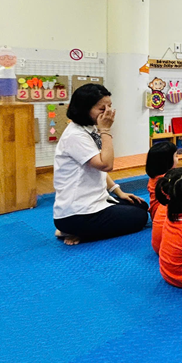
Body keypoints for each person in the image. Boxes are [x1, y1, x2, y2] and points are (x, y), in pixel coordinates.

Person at [53, 84, 148, 245]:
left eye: (110, 106)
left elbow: (99, 169)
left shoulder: (89, 129)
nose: (108, 112)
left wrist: (119, 192)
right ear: (84, 109)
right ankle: (76, 231)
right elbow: (106, 165)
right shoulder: (75, 135)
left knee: (141, 206)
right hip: (77, 213)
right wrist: (106, 131)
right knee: (140, 218)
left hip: (95, 201)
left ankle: (78, 230)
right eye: (102, 109)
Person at [146, 141, 179, 254]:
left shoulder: (154, 177)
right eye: (176, 156)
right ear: (167, 161)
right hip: (163, 216)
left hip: (155, 214)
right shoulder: (167, 180)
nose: (178, 158)